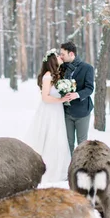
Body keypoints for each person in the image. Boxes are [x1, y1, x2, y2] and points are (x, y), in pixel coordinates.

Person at [25, 49, 71, 183]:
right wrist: (61, 100)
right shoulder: (47, 76)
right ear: (52, 60)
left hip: (57, 110)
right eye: (57, 56)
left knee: (59, 137)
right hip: (49, 111)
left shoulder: (57, 75)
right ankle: (47, 169)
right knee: (50, 137)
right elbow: (45, 97)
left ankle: (60, 167)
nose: (60, 56)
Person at [59, 41, 94, 155]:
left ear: (71, 54)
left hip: (82, 112)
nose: (61, 56)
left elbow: (89, 88)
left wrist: (76, 95)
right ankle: (69, 166)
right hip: (66, 112)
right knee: (67, 142)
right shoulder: (61, 67)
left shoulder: (87, 68)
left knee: (82, 143)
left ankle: (81, 167)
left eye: (63, 54)